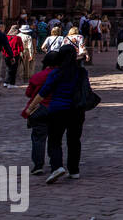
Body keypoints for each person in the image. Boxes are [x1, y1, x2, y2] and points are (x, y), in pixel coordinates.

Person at [25, 45, 94, 184]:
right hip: (77, 110)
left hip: (58, 109)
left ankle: (57, 167)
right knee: (74, 140)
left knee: (55, 140)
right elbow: (87, 89)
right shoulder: (81, 72)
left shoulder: (57, 73)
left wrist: (31, 107)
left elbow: (43, 92)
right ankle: (74, 170)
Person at [23, 51, 58, 175]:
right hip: (57, 108)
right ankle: (56, 164)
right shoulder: (62, 75)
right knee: (55, 138)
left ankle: (38, 165)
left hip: (39, 109)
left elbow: (28, 93)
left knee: (38, 138)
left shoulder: (38, 76)